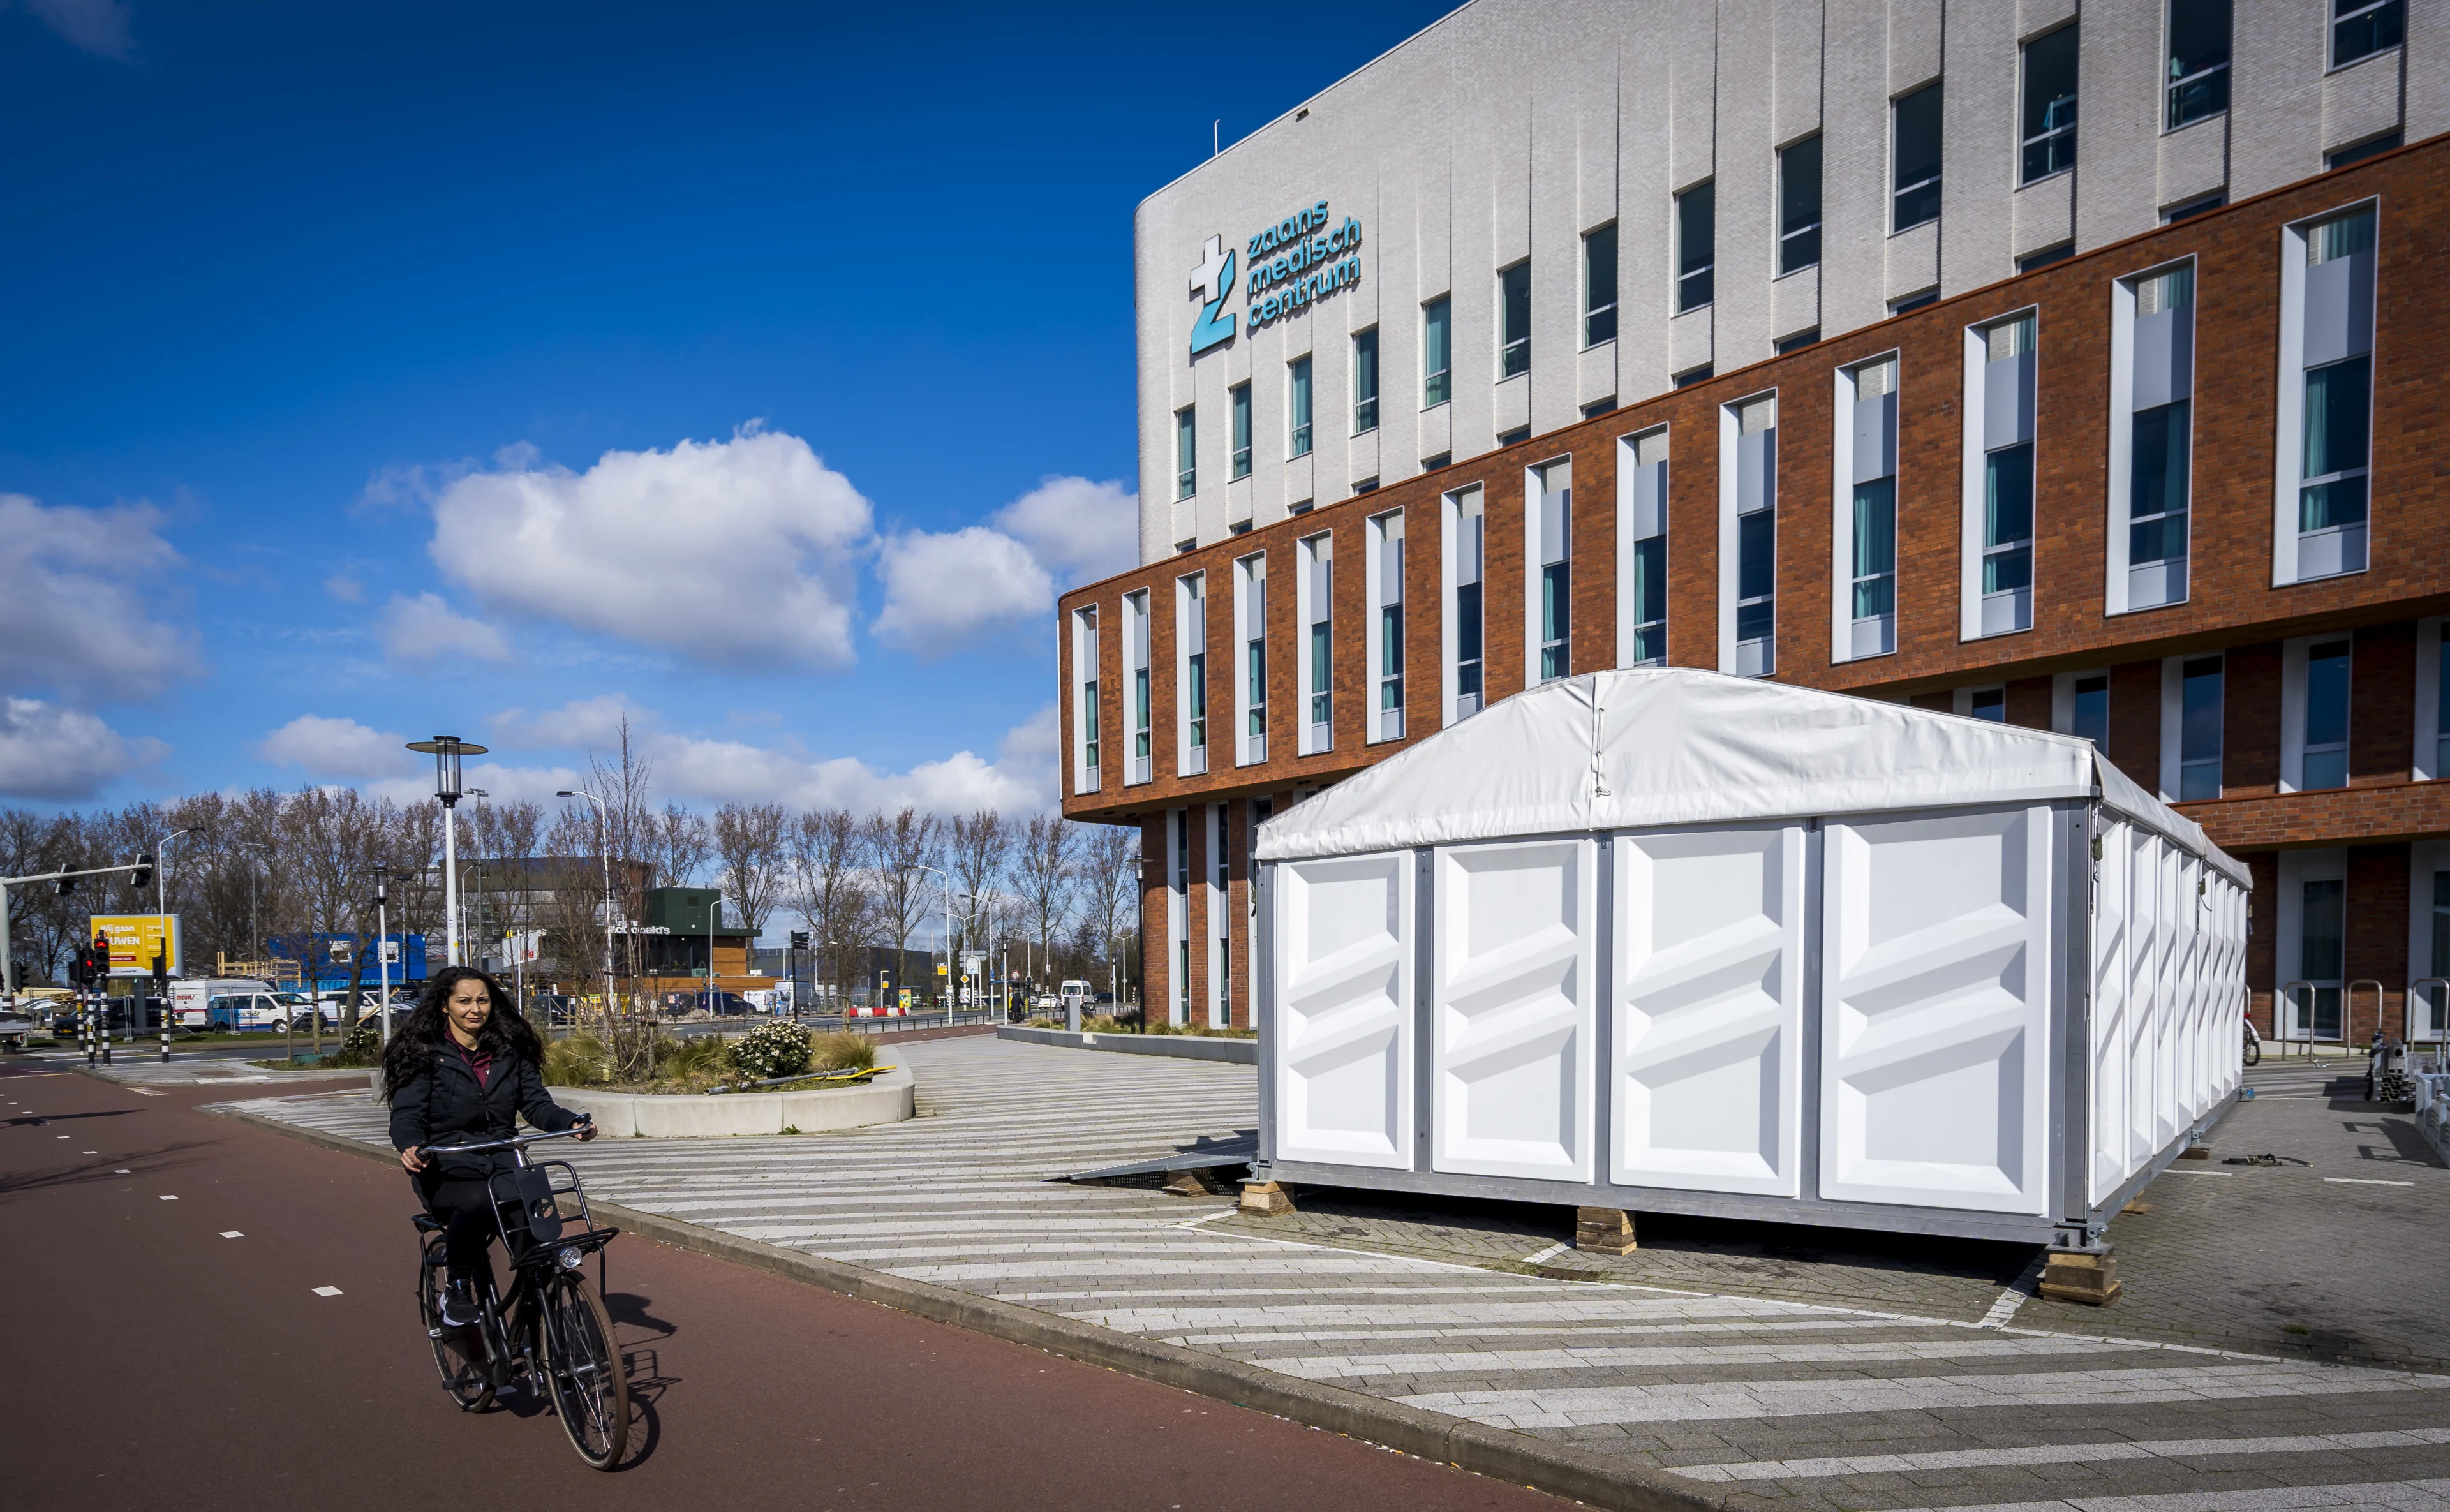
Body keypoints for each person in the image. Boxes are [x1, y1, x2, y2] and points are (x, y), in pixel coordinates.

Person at [382, 965, 594, 1327]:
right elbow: (406, 1116)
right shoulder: (422, 1054)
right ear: (444, 1006)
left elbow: (536, 1104)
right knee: (479, 1201)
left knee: (538, 1239)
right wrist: (412, 1146)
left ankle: (546, 1346)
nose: (475, 1009)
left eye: (482, 1000)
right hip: (446, 1165)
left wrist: (570, 1123)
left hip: (502, 1159)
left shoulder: (508, 1051)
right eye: (464, 1001)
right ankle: (459, 1283)